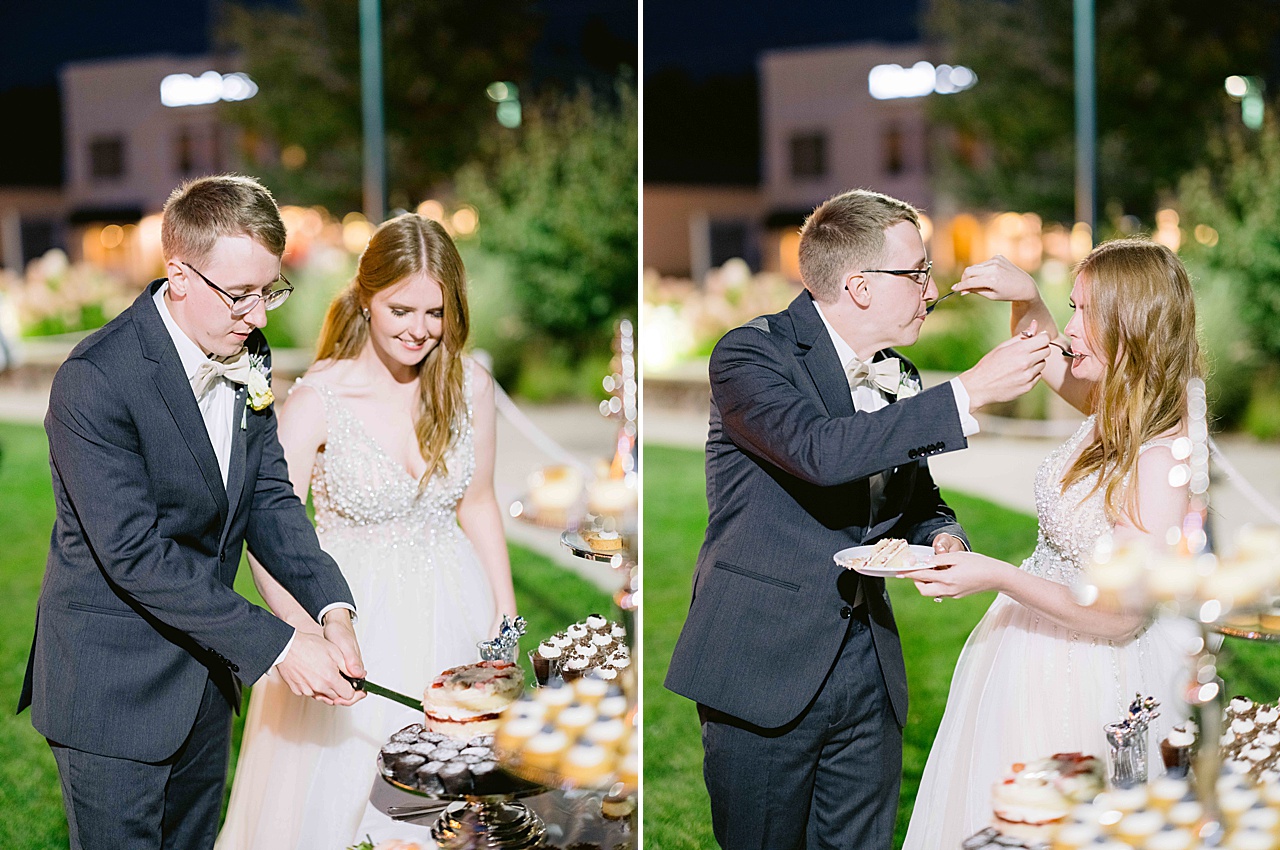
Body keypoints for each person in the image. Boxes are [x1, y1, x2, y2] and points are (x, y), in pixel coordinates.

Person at [663, 188, 1052, 850]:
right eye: (918, 272)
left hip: (867, 669)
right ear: (860, 285)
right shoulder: (750, 356)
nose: (931, 290)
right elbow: (819, 453)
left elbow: (917, 495)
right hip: (762, 667)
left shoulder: (897, 372)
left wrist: (941, 537)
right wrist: (969, 392)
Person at [17, 174, 366, 850]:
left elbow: (268, 496)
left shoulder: (248, 355)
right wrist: (281, 646)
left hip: (206, 680)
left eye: (270, 290)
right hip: (110, 692)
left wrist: (329, 607)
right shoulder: (95, 380)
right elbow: (133, 555)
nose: (259, 315)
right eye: (240, 295)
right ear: (178, 274)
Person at [216, 213, 517, 848]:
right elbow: (268, 530)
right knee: (343, 801)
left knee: (457, 803)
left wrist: (504, 611)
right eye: (401, 309)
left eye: (435, 313)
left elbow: (480, 502)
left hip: (454, 610)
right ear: (366, 297)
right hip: (349, 620)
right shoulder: (318, 399)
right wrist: (303, 637)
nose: (419, 330)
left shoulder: (471, 385)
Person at [902, 240, 1200, 846]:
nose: (1068, 327)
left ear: (1130, 328)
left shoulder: (1161, 453)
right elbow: (1053, 358)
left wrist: (997, 575)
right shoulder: (1118, 408)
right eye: (1071, 305)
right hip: (1029, 654)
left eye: (1084, 312)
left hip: (1097, 673)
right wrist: (1028, 298)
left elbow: (1119, 618)